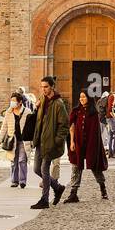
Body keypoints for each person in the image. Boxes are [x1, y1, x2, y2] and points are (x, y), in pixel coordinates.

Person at [29, 75, 68, 209]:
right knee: (36, 169)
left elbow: (64, 126)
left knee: (44, 170)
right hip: (40, 141)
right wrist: (36, 108)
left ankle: (44, 199)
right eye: (42, 87)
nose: (43, 89)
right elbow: (38, 121)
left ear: (52, 87)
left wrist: (56, 141)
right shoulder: (41, 100)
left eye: (46, 87)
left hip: (50, 142)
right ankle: (57, 187)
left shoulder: (58, 104)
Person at [64, 90, 108, 202]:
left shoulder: (93, 113)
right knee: (76, 166)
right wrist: (72, 142)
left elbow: (95, 131)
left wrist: (94, 146)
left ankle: (103, 190)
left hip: (90, 143)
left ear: (88, 98)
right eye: (80, 97)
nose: (81, 99)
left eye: (83, 97)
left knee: (95, 166)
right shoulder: (76, 111)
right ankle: (73, 194)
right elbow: (72, 127)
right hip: (78, 142)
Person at [1, 91, 32, 186]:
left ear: (20, 102)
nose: (12, 103)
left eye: (14, 101)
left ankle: (22, 181)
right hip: (12, 140)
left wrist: (32, 141)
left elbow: (31, 127)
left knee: (22, 160)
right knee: (13, 161)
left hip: (24, 140)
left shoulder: (27, 112)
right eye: (11, 101)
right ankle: (14, 181)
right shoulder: (8, 112)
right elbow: (4, 126)